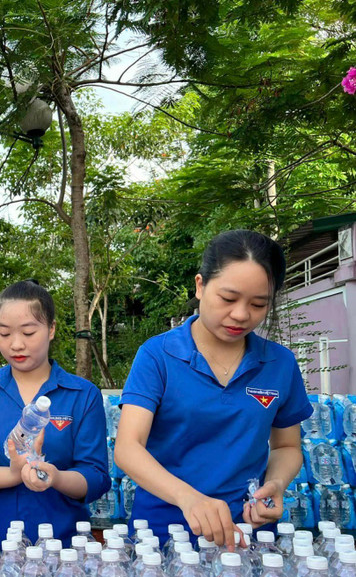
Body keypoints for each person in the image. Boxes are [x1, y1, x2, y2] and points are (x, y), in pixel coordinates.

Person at [114, 230, 312, 547]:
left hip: (247, 533)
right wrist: (188, 498)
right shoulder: (158, 356)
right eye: (228, 298)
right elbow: (127, 448)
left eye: (259, 304)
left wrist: (275, 483)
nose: (241, 314)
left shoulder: (280, 364)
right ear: (200, 285)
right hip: (166, 532)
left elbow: (287, 447)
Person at [0, 280, 109, 545]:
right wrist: (13, 475)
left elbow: (96, 476)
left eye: (28, 333)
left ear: (51, 329)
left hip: (63, 546)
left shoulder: (82, 394)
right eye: (4, 334)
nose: (16, 345)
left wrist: (56, 477)